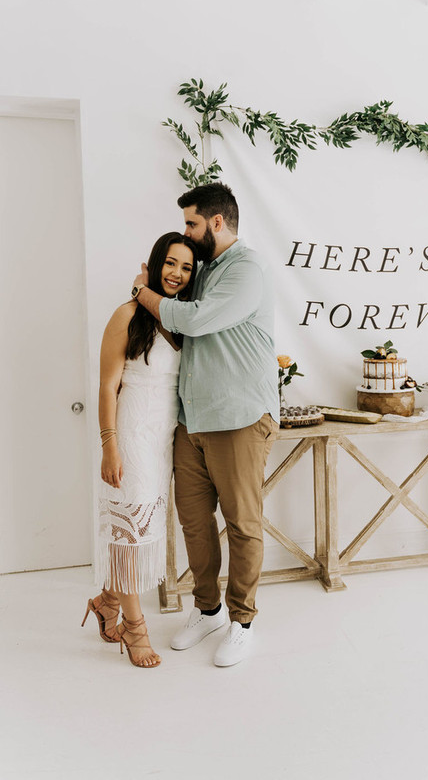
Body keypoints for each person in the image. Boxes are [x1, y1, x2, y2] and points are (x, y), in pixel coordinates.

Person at [131, 182, 279, 667]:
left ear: (216, 222)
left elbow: (190, 322)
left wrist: (143, 292)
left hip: (237, 417)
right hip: (190, 419)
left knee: (242, 524)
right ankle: (208, 609)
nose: (188, 233)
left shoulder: (248, 269)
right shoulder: (204, 269)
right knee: (194, 523)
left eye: (193, 223)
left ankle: (242, 621)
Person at [82, 232, 197, 668]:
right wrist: (109, 446)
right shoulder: (127, 315)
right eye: (170, 264)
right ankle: (136, 628)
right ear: (154, 263)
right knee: (130, 536)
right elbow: (108, 386)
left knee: (144, 531)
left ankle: (107, 602)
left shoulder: (178, 318)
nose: (176, 274)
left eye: (186, 268)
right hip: (129, 436)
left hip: (162, 440)